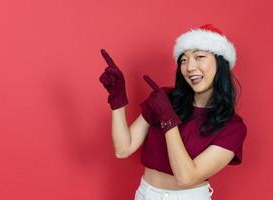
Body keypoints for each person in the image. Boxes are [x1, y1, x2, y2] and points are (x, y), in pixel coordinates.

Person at [99, 24, 247, 200]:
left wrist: (168, 120)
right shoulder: (165, 98)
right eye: (183, 60)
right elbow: (123, 149)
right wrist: (118, 99)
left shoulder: (233, 127)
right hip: (146, 194)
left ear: (220, 62)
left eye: (199, 57)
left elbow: (186, 177)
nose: (190, 67)